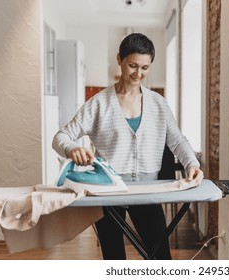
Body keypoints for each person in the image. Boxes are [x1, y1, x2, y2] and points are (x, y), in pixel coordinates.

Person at [52, 33, 203, 260]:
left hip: (148, 190)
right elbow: (61, 136)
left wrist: (192, 162)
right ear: (119, 59)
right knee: (114, 257)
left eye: (145, 67)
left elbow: (177, 140)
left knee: (160, 256)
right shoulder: (99, 104)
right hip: (109, 192)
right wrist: (72, 149)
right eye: (132, 65)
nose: (138, 73)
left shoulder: (158, 104)